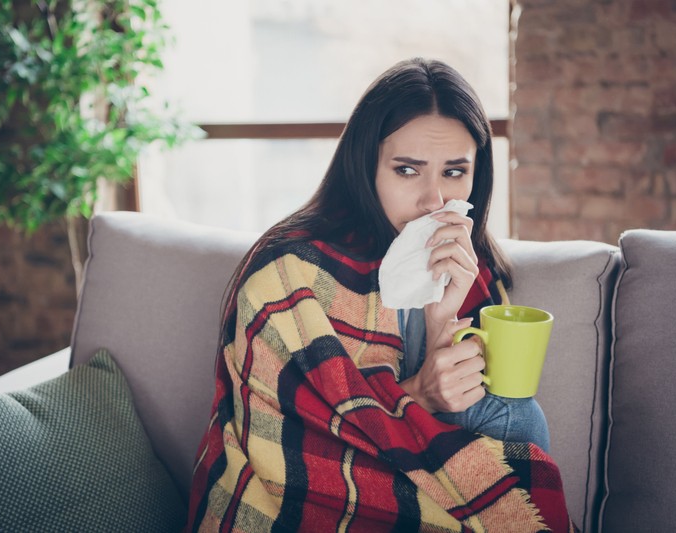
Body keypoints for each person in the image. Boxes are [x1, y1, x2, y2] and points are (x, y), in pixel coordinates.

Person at [187, 58, 573, 532]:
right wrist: (418, 395)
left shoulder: (472, 269)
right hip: (301, 494)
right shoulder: (291, 274)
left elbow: (481, 431)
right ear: (365, 167)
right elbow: (298, 432)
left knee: (519, 414)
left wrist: (439, 329)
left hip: (422, 477)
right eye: (407, 170)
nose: (433, 200)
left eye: (454, 172)